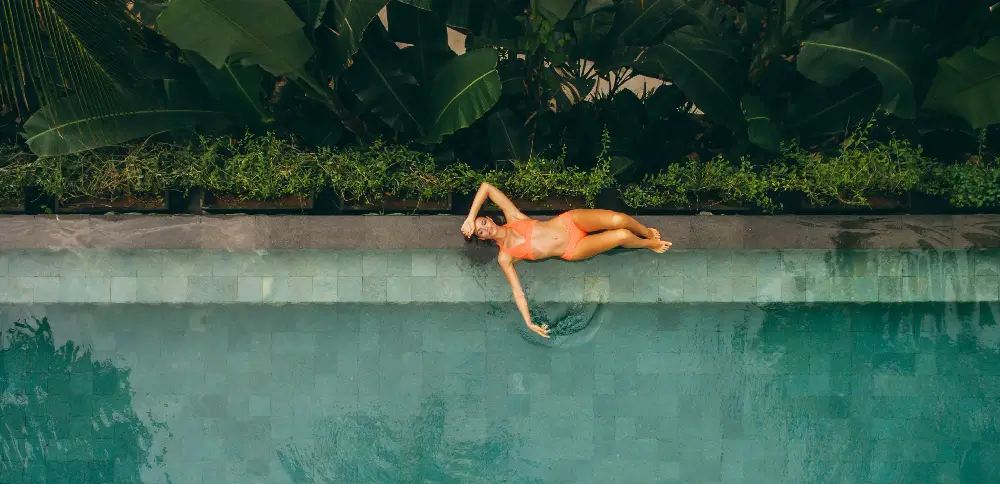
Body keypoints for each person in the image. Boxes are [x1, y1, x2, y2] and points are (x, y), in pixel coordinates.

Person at [461, 182, 671, 338]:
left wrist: (470, 218)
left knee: (620, 220)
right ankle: (649, 244)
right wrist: (528, 322)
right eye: (481, 231)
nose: (485, 227)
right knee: (622, 236)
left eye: (483, 222)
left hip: (570, 222)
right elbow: (518, 292)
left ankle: (647, 233)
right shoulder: (505, 256)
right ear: (482, 238)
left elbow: (486, 187)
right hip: (573, 248)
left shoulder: (513, 217)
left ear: (488, 218)